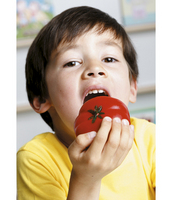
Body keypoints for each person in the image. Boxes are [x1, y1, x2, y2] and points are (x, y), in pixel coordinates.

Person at [17, 6, 155, 200]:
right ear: (41, 98)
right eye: (71, 62)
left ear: (132, 87)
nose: (95, 69)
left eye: (109, 58)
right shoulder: (36, 159)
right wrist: (86, 178)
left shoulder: (150, 139)